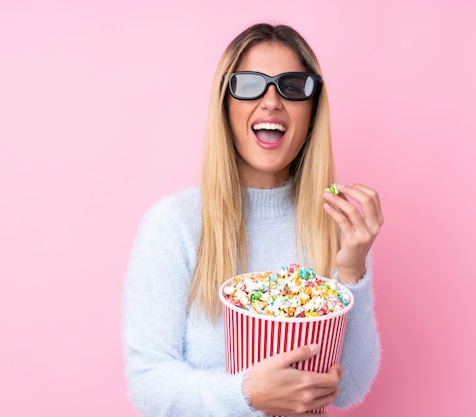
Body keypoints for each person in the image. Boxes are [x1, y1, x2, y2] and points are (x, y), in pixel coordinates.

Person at [122, 23, 384, 417]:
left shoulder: (338, 226)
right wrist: (246, 394)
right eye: (249, 84)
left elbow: (348, 389)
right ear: (225, 104)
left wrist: (352, 270)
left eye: (292, 86)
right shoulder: (174, 224)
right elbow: (148, 383)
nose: (271, 101)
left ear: (312, 110)